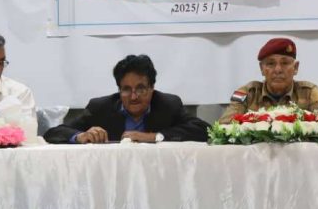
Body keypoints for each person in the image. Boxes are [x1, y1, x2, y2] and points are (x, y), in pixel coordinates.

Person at [43, 54, 208, 143]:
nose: (134, 96)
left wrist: (154, 136)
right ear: (119, 89)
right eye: (126, 90)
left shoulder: (168, 105)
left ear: (152, 88)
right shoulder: (100, 107)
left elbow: (204, 130)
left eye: (141, 89)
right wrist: (80, 136)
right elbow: (53, 133)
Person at [217, 38, 318, 123]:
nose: (278, 70)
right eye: (270, 63)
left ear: (295, 68)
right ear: (262, 68)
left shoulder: (309, 92)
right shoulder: (248, 93)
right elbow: (225, 125)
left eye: (285, 63)